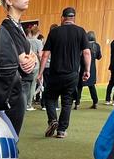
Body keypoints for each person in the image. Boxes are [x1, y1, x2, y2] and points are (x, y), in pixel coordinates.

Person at [37, 7, 90, 138]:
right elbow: (87, 52)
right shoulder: (81, 31)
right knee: (67, 102)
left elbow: (45, 55)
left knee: (49, 98)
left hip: (55, 73)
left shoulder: (54, 32)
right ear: (74, 18)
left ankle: (52, 120)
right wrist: (87, 70)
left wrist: (40, 72)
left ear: (62, 18)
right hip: (72, 74)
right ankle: (61, 130)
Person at [0, 0, 36, 136]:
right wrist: (32, 57)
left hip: (19, 91)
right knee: (11, 138)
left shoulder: (18, 26)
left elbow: (31, 58)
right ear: (9, 0)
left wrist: (32, 57)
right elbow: (26, 63)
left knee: (13, 138)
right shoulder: (8, 26)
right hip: (14, 93)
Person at [79, 31, 102, 109]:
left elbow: (80, 56)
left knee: (80, 86)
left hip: (83, 67)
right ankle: (95, 102)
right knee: (92, 86)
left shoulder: (84, 45)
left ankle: (77, 103)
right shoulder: (97, 46)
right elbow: (99, 57)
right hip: (92, 68)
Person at [27, 25, 43, 110]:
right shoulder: (38, 42)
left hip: (28, 64)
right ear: (38, 32)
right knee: (33, 85)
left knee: (27, 85)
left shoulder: (27, 41)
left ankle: (26, 103)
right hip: (36, 65)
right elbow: (40, 55)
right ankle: (29, 104)